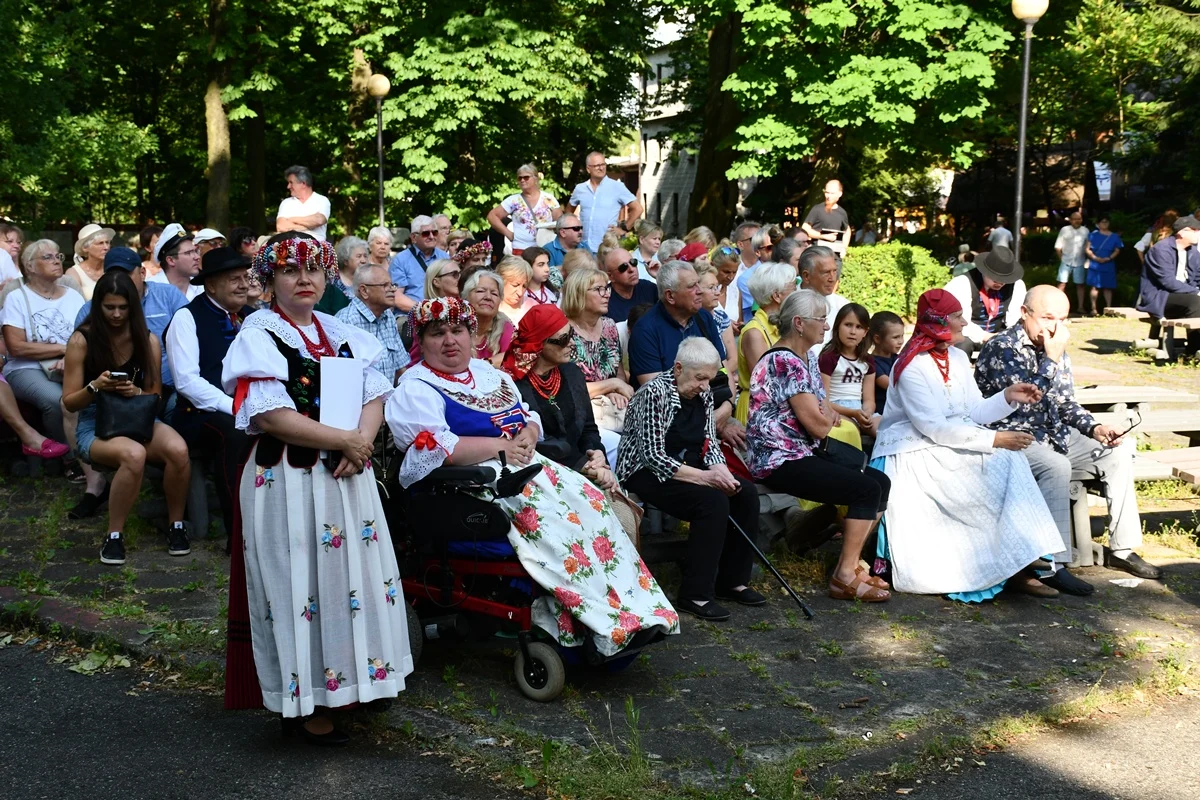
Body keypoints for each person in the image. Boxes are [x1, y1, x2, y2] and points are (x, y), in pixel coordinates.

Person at [389, 296, 678, 651]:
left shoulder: (488, 374)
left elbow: (528, 416)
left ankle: (634, 610)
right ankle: (597, 625)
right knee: (560, 529)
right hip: (469, 486)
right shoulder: (416, 388)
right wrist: (501, 448)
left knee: (596, 510)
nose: (450, 340)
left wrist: (526, 432)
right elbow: (437, 449)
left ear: (470, 334)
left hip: (527, 470)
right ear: (421, 341)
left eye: (458, 330)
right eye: (438, 333)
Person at [221, 231, 410, 744]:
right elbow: (271, 415)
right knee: (297, 582)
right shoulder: (258, 332)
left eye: (312, 269)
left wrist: (361, 444)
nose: (303, 279)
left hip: (347, 475)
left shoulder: (340, 330)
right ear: (270, 279)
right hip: (287, 476)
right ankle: (302, 700)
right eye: (289, 270)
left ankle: (353, 683)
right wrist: (346, 441)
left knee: (349, 581)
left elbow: (375, 394)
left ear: (327, 276)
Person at [871, 289, 1063, 600]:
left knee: (1009, 460)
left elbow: (972, 411)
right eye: (957, 316)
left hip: (948, 441)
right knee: (997, 460)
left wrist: (1007, 397)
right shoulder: (910, 366)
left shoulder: (958, 358)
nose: (964, 321)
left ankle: (1020, 557)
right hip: (912, 448)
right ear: (938, 323)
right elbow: (932, 426)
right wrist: (994, 439)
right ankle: (1010, 562)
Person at [975, 285, 1163, 589]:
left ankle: (1123, 548)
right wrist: (1051, 357)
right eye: (1048, 318)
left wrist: (1095, 428)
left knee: (1118, 452)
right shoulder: (1002, 347)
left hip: (1055, 435)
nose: (1056, 327)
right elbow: (1027, 399)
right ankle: (1053, 563)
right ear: (1025, 314)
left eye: (1063, 319)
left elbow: (1064, 402)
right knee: (1055, 465)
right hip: (1013, 437)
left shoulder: (1055, 348)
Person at [745, 290, 891, 602]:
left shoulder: (808, 357)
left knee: (880, 481)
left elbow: (826, 411)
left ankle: (849, 566)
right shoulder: (784, 361)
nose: (826, 326)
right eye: (821, 319)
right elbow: (820, 423)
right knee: (865, 489)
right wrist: (824, 415)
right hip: (778, 459)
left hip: (806, 450)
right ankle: (844, 577)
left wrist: (824, 413)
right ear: (799, 323)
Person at [617, 338, 759, 622]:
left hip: (687, 465)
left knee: (744, 493)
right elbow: (654, 457)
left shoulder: (703, 394)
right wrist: (707, 479)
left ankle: (732, 581)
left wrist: (721, 472)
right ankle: (695, 593)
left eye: (709, 378)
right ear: (679, 367)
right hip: (644, 472)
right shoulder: (653, 394)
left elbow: (709, 440)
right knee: (712, 502)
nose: (705, 386)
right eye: (700, 378)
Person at [62, 271, 192, 565]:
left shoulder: (147, 339)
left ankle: (176, 525)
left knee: (179, 449)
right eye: (110, 307)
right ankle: (114, 535)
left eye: (124, 307)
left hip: (137, 415)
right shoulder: (82, 340)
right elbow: (69, 402)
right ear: (98, 306)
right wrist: (96, 387)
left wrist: (137, 392)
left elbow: (156, 395)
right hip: (95, 424)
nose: (117, 314)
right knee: (133, 454)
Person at [164, 247, 255, 550]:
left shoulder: (252, 317)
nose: (244, 284)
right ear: (212, 285)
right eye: (234, 279)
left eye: (245, 277)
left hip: (249, 405)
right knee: (235, 434)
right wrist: (235, 408)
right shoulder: (187, 318)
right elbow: (187, 382)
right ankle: (237, 535)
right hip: (197, 413)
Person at [502, 303, 616, 482]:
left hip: (585, 465)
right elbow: (539, 444)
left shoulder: (572, 373)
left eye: (571, 334)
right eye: (563, 339)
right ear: (539, 345)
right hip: (541, 473)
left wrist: (596, 454)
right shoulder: (513, 384)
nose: (571, 343)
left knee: (620, 504)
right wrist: (583, 465)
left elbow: (588, 428)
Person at [2, 239, 85, 450]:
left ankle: (93, 450)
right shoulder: (16, 298)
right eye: (47, 257)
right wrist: (63, 349)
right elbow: (16, 347)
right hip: (26, 367)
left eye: (58, 256)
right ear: (30, 266)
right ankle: (67, 456)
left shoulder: (74, 296)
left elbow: (89, 336)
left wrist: (70, 357)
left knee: (89, 396)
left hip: (72, 362)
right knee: (57, 400)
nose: (56, 261)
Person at [561, 267, 631, 465]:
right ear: (579, 293)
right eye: (599, 289)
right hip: (581, 414)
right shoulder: (564, 331)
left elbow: (617, 371)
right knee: (620, 445)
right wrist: (612, 385)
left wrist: (616, 388)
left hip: (611, 408)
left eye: (607, 288)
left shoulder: (609, 325)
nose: (607, 294)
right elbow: (568, 389)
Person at [734, 261, 797, 424]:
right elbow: (765, 384)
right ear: (777, 296)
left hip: (780, 410)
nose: (797, 294)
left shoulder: (783, 326)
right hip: (759, 412)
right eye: (793, 289)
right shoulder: (754, 332)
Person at [943, 245, 1027, 356]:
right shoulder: (963, 283)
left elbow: (1015, 320)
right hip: (969, 336)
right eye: (995, 277)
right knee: (961, 346)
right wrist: (986, 336)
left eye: (1005, 279)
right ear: (985, 271)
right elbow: (959, 322)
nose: (1000, 283)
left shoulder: (1017, 285)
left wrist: (1005, 337)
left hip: (1000, 335)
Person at [334, 263, 409, 385]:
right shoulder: (346, 321)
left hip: (389, 399)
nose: (393, 290)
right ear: (364, 291)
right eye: (385, 285)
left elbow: (400, 368)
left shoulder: (388, 316)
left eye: (392, 285)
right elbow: (344, 380)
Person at [1137, 214, 1200, 352]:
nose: (1198, 233)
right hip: (1159, 296)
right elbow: (1167, 282)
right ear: (1182, 232)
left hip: (1184, 295)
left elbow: (1198, 278)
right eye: (1195, 229)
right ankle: (1194, 350)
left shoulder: (1193, 252)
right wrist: (1196, 292)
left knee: (1194, 299)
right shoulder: (1161, 250)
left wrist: (1197, 290)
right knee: (1195, 302)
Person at [819, 303, 879, 443]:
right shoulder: (828, 358)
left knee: (885, 430)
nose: (853, 332)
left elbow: (869, 399)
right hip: (837, 410)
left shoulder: (868, 361)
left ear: (865, 332)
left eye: (859, 327)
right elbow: (823, 400)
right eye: (848, 325)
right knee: (851, 432)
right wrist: (853, 413)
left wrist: (868, 413)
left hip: (860, 410)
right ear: (837, 327)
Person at [566, 153, 643, 252]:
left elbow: (638, 209)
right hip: (583, 247)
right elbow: (568, 212)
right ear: (588, 169)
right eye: (597, 165)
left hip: (607, 248)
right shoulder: (580, 188)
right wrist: (573, 230)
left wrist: (624, 229)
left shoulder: (617, 187)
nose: (601, 168)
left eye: (603, 164)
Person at [487, 164, 562, 255]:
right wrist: (508, 234)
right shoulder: (513, 200)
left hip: (545, 248)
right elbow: (492, 216)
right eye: (519, 178)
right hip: (521, 249)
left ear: (535, 179)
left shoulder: (549, 198)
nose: (522, 180)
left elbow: (560, 222)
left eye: (526, 177)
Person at [389, 215, 449, 312]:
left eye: (434, 232)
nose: (431, 236)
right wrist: (425, 311)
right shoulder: (400, 260)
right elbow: (397, 297)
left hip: (443, 313)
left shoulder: (445, 258)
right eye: (426, 233)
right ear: (413, 237)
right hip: (410, 315)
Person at [695, 261, 738, 388]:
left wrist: (718, 378)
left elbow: (733, 360)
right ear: (696, 290)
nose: (717, 293)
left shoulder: (722, 317)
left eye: (716, 287)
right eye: (711, 288)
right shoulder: (689, 320)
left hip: (722, 383)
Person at [460, 269, 514, 366]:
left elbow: (512, 358)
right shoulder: (454, 324)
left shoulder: (504, 326)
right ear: (466, 296)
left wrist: (486, 363)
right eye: (481, 291)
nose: (488, 297)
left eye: (494, 294)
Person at [798, 246, 848, 345]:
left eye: (834, 271)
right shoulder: (786, 302)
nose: (832, 279)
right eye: (826, 273)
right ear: (806, 276)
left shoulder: (842, 307)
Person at [603, 246, 658, 324]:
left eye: (633, 262)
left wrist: (659, 276)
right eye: (623, 267)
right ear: (610, 276)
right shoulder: (604, 299)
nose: (631, 269)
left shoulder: (649, 288)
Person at [275, 166, 331, 241]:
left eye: (291, 182)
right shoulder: (286, 203)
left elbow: (319, 220)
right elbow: (280, 226)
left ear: (303, 184)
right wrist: (309, 226)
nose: (288, 186)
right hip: (290, 249)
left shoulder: (322, 200)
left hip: (316, 249)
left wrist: (292, 219)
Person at [149, 224, 204, 301]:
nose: (197, 257)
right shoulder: (150, 291)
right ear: (171, 260)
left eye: (195, 251)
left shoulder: (202, 288)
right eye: (188, 253)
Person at [314, 235, 366, 315]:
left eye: (365, 256)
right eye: (359, 256)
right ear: (345, 260)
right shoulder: (332, 279)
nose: (363, 260)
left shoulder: (367, 279)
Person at [801, 181, 852, 262]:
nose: (828, 196)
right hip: (817, 256)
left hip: (835, 258)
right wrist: (823, 236)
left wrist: (844, 248)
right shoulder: (817, 209)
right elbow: (805, 228)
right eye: (827, 192)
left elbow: (847, 231)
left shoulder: (842, 212)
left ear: (840, 194)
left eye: (832, 193)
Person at [62, 224, 114, 301]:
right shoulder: (74, 273)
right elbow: (75, 304)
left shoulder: (113, 269)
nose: (106, 247)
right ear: (85, 248)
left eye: (107, 242)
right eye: (100, 243)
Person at [1085, 216, 1123, 316]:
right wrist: (1094, 258)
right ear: (1098, 223)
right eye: (1102, 222)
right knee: (1094, 287)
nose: (1105, 224)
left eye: (1106, 222)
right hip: (1095, 263)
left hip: (1108, 263)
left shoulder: (1114, 236)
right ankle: (1093, 309)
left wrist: (1109, 258)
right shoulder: (1093, 235)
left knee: (1108, 287)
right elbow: (1087, 249)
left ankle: (1108, 309)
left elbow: (1117, 250)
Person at [867, 311, 904, 414]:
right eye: (896, 337)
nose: (901, 341)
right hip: (882, 414)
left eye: (902, 336)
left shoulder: (898, 359)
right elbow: (891, 386)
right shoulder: (871, 362)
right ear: (877, 339)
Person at [1054, 211, 1089, 311]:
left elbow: (1088, 246)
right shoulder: (1064, 230)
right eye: (1075, 219)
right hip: (1066, 260)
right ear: (1070, 220)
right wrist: (1061, 259)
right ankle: (1058, 306)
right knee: (1061, 283)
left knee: (1080, 284)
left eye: (1079, 219)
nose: (1077, 221)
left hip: (1080, 261)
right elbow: (1058, 247)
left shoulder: (1085, 231)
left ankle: (1081, 307)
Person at [731, 221, 764, 323]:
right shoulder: (730, 270)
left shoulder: (768, 269)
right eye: (754, 239)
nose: (760, 243)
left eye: (761, 238)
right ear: (740, 245)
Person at [495, 256, 532, 324]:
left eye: (524, 286)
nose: (520, 293)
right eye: (515, 285)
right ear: (501, 280)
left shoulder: (532, 307)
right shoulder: (490, 305)